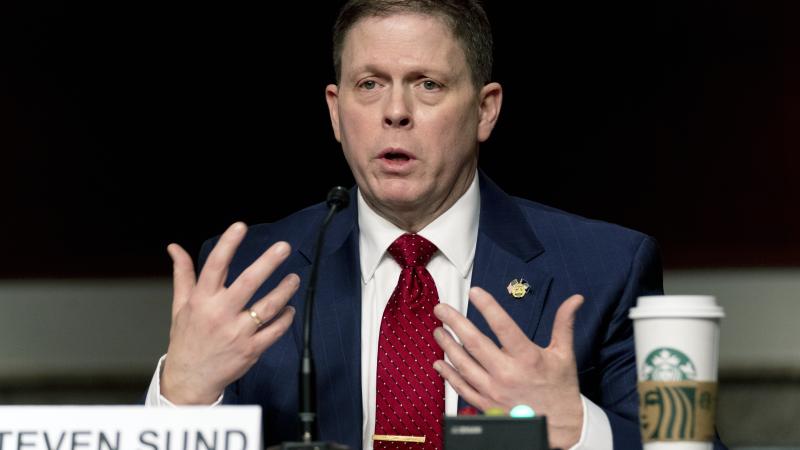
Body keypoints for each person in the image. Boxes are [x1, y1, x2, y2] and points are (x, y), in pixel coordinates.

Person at [146, 1, 724, 449]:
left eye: (428, 84)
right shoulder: (252, 273)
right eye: (369, 84)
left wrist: (576, 428)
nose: (395, 111)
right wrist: (183, 396)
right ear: (335, 111)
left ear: (485, 109)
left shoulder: (602, 269)